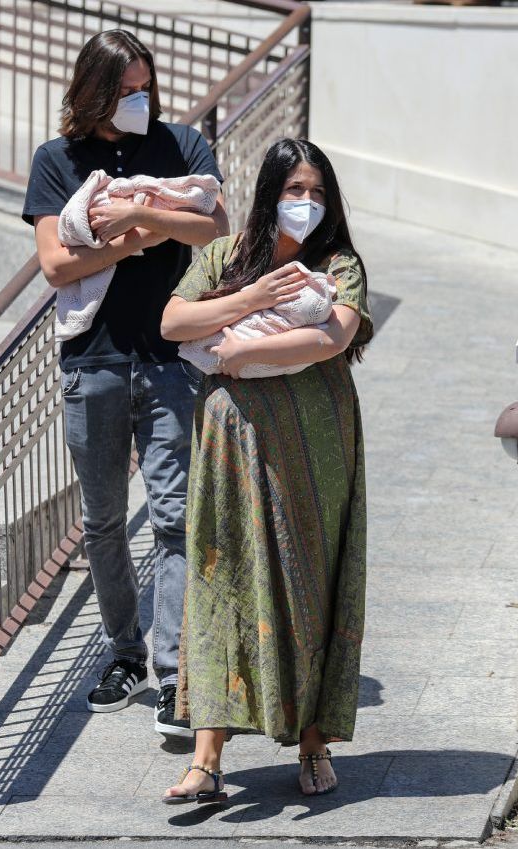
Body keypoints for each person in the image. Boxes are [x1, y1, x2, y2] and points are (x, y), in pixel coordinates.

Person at [22, 29, 229, 734]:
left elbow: (216, 227)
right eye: (125, 89)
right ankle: (124, 654)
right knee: (105, 519)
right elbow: (55, 265)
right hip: (94, 362)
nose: (138, 100)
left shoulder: (181, 146)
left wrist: (139, 212)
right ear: (93, 91)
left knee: (172, 516)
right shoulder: (57, 160)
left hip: (172, 358)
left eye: (145, 87)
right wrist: (149, 236)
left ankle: (174, 678)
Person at [160, 138, 373, 801]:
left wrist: (230, 351)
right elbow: (172, 320)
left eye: (315, 192)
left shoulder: (337, 262)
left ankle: (312, 743)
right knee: (220, 574)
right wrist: (252, 298)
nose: (304, 203)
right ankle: (206, 758)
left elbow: (332, 336)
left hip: (314, 444)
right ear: (268, 193)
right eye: (293, 190)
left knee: (306, 575)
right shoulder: (226, 257)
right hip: (229, 443)